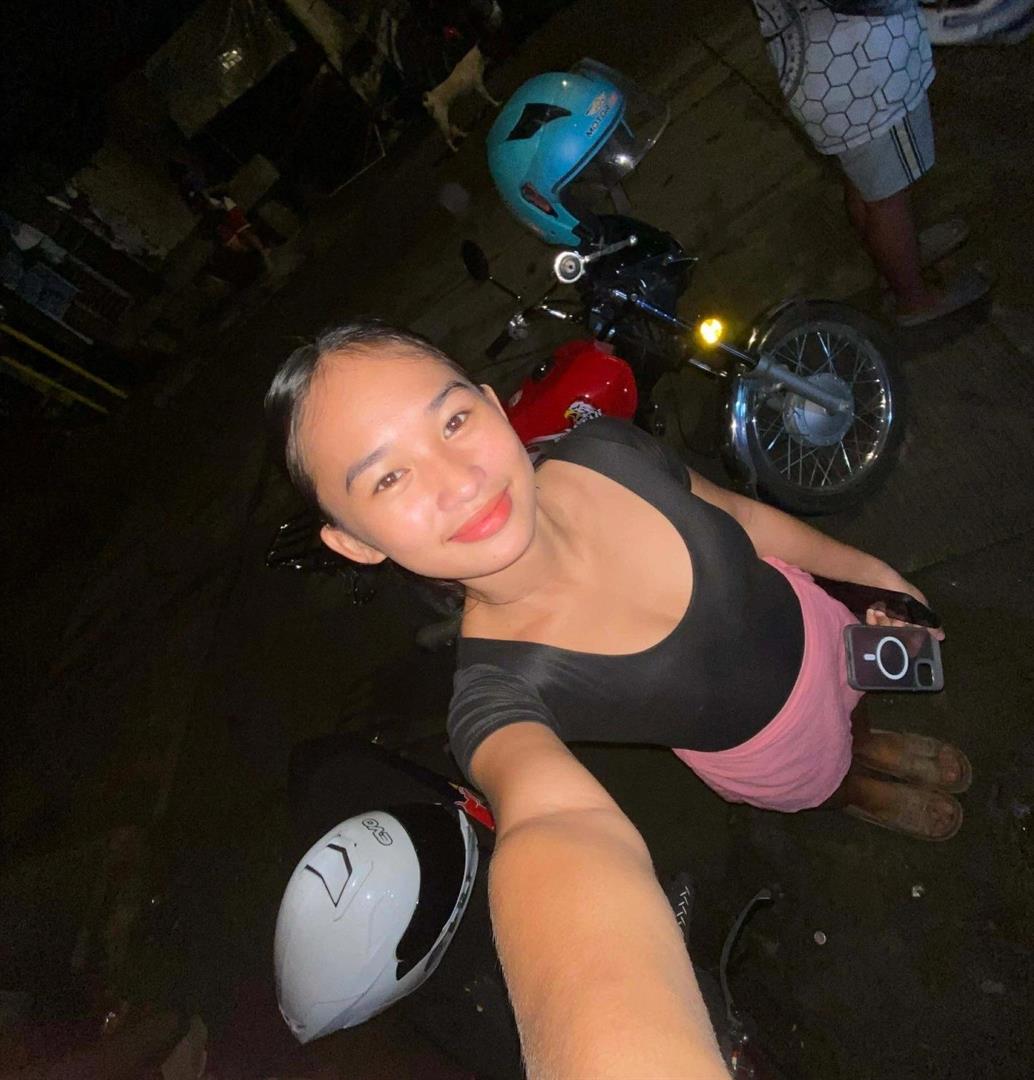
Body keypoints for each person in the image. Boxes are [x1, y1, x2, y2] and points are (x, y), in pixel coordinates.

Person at [264, 319, 966, 1074]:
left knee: (861, 698)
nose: (459, 480)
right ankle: (861, 789)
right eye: (388, 478)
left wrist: (866, 575)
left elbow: (742, 518)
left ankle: (869, 740)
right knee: (831, 775)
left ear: (495, 406)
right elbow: (555, 829)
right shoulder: (495, 695)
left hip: (814, 619)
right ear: (356, 542)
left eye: (454, 419)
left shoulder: (606, 449)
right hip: (772, 748)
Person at [751, 0, 992, 325]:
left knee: (867, 187)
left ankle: (898, 260)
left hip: (820, 76)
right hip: (864, 76)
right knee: (887, 200)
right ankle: (914, 298)